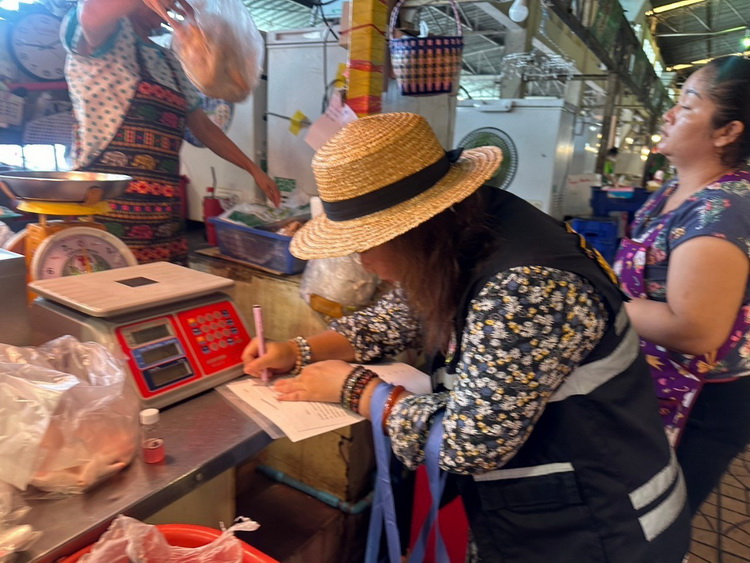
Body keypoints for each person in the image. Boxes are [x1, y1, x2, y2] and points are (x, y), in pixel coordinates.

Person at [243, 112, 690, 561]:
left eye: (366, 243)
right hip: (549, 511)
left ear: (413, 225)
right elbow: (396, 319)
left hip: (602, 529)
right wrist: (297, 350)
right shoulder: (467, 228)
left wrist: (356, 389)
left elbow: (469, 443)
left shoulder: (525, 287)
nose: (363, 261)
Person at [613, 55, 750, 516]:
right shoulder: (674, 191)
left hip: (699, 402)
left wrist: (596, 302)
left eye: (688, 106)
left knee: (650, 527)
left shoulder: (725, 208)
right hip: (653, 385)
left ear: (727, 131)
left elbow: (694, 328)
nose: (669, 115)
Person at [62, 0, 280, 264]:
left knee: (164, 287)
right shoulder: (105, 39)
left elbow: (204, 128)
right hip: (106, 211)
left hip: (162, 218)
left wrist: (253, 169)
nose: (169, 9)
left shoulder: (170, 61)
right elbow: (93, 14)